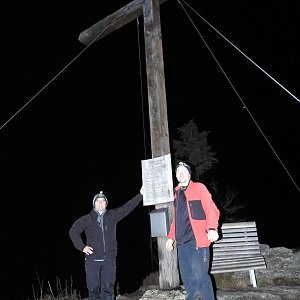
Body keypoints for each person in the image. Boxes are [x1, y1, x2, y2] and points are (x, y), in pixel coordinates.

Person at [69, 188, 143, 300]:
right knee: (93, 290)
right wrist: (82, 247)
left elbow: (127, 207)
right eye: (97, 201)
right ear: (94, 204)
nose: (100, 202)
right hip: (92, 261)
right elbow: (73, 231)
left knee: (108, 289)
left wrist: (141, 194)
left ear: (106, 204)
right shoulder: (87, 219)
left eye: (103, 201)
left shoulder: (112, 215)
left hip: (109, 260)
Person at [166, 162, 220, 300]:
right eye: (178, 172)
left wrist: (212, 228)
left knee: (200, 276)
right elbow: (176, 220)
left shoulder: (199, 188)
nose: (181, 173)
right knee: (188, 279)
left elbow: (211, 209)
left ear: (189, 175)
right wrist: (171, 237)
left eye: (184, 171)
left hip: (197, 241)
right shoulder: (176, 193)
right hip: (181, 244)